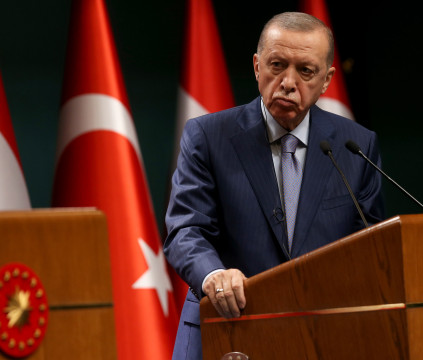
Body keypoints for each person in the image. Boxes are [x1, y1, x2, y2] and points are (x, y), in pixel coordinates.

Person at [164, 11, 385, 360]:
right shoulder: (208, 136)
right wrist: (214, 274)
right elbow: (185, 230)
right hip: (225, 332)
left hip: (319, 338)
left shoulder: (354, 146)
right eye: (277, 65)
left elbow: (371, 248)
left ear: (327, 80)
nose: (287, 81)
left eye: (305, 71)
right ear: (256, 66)